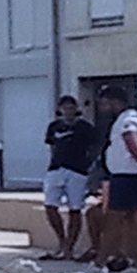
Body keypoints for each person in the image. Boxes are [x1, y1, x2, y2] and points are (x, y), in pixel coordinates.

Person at [100, 87, 137, 273]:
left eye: (105, 103)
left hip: (126, 175)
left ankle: (100, 263)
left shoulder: (127, 119)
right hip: (136, 176)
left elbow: (131, 141)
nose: (103, 107)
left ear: (114, 101)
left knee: (114, 220)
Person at [37, 94, 99, 261]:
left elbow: (94, 148)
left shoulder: (85, 128)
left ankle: (70, 247)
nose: (68, 111)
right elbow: (52, 146)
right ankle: (61, 241)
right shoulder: (54, 127)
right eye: (65, 108)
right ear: (60, 110)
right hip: (56, 169)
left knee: (75, 209)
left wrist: (88, 166)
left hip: (77, 170)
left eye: (71, 108)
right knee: (50, 206)